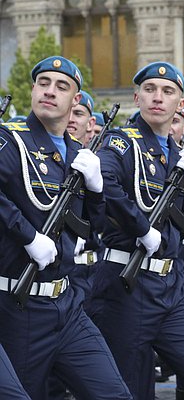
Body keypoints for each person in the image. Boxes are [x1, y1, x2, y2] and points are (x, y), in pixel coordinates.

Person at [91, 61, 184, 399]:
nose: (158, 97)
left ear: (180, 105)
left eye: (168, 92)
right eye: (151, 90)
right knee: (131, 389)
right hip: (128, 284)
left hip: (172, 286)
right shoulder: (121, 142)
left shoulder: (179, 156)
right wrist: (141, 228)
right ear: (136, 97)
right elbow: (106, 183)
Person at [0, 55, 132, 399]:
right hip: (19, 304)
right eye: (43, 83)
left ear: (76, 101)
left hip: (67, 305)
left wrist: (97, 188)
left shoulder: (77, 153)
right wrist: (27, 236)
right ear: (32, 90)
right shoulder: (10, 140)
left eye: (62, 86)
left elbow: (93, 227)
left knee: (113, 392)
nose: (50, 91)